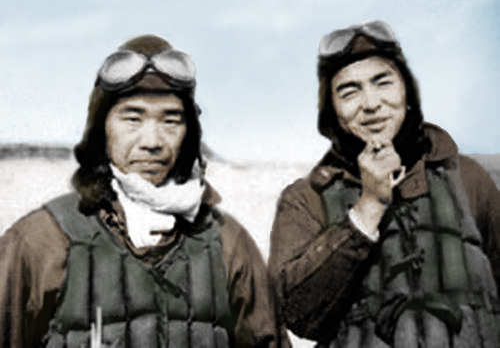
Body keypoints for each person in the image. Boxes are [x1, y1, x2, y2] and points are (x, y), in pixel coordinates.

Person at [0, 35, 289, 348]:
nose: (152, 141)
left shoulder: (228, 243)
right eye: (132, 118)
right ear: (102, 128)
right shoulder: (38, 242)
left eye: (171, 119)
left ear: (188, 134)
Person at [269, 20, 500, 347]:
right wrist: (368, 208)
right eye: (349, 91)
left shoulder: (469, 178)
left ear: (407, 93)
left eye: (383, 82)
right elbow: (297, 315)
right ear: (333, 111)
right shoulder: (304, 199)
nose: (371, 103)